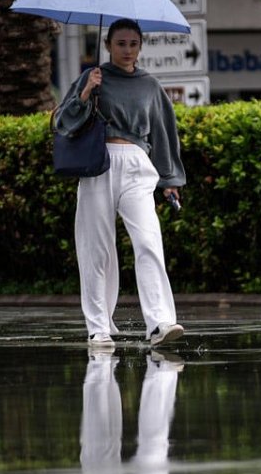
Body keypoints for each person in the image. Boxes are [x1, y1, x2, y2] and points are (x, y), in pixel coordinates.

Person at [55, 18, 186, 348]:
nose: (127, 50)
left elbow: (163, 132)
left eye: (133, 44)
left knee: (148, 240)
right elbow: (62, 121)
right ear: (107, 45)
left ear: (140, 46)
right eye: (120, 44)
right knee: (96, 249)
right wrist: (86, 92)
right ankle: (98, 328)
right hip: (99, 162)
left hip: (138, 164)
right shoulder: (94, 76)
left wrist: (169, 179)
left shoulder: (149, 85)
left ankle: (160, 323)